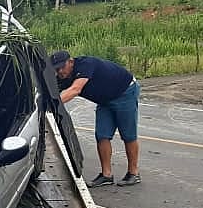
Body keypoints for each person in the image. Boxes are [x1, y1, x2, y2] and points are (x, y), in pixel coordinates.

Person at [50, 50, 140, 186]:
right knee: (102, 135)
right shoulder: (62, 78)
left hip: (124, 92)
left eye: (62, 67)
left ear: (71, 62)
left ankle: (133, 173)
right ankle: (106, 175)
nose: (60, 71)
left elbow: (75, 90)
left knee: (128, 135)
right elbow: (51, 93)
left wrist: (50, 106)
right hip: (104, 101)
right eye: (56, 69)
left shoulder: (86, 64)